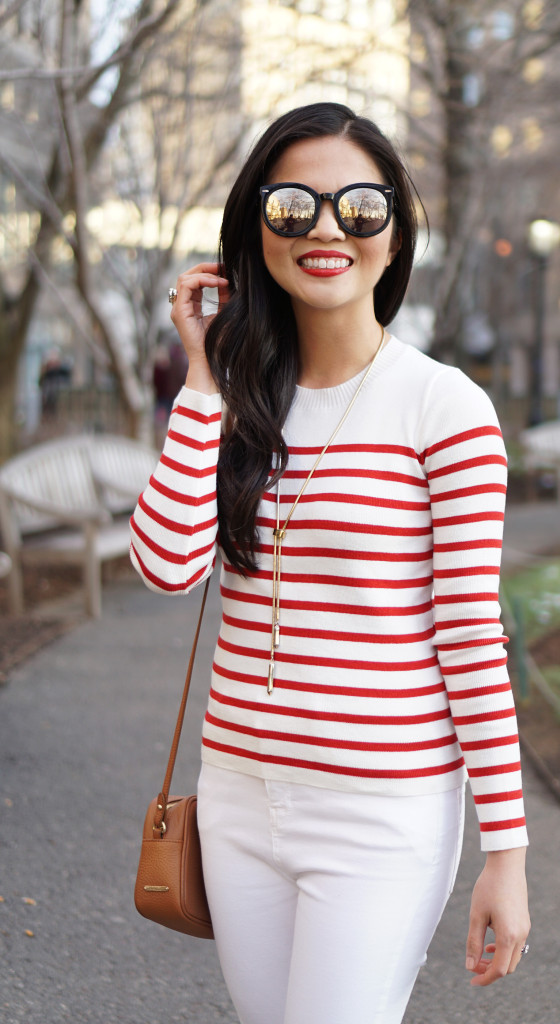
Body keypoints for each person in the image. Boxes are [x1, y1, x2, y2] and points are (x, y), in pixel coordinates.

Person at [130, 101, 530, 1024]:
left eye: (357, 207)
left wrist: (504, 853)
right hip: (236, 796)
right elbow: (164, 568)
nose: (324, 228)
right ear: (254, 233)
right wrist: (201, 375)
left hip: (379, 810)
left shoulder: (444, 408)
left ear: (393, 235)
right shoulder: (236, 399)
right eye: (290, 207)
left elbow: (470, 635)